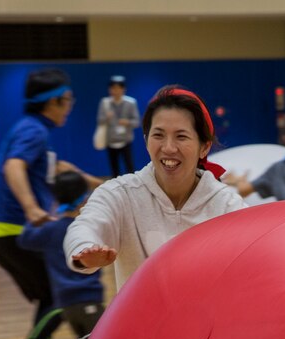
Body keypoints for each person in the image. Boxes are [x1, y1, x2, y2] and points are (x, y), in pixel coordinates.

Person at [0, 67, 103, 339]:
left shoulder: (32, 129)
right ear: (54, 101)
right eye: (68, 100)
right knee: (59, 295)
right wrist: (31, 207)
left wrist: (102, 184)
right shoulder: (34, 131)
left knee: (49, 296)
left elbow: (61, 168)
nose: (70, 106)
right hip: (12, 228)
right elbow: (13, 165)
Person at [65, 84, 245, 291]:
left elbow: (256, 251)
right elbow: (85, 226)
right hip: (139, 323)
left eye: (181, 136)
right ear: (146, 140)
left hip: (206, 323)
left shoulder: (227, 206)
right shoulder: (120, 194)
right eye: (158, 135)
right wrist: (85, 249)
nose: (168, 148)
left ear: (204, 147)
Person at [16, 171, 104, 339]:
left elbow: (25, 240)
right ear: (84, 198)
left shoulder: (51, 229)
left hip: (64, 304)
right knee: (99, 335)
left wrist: (39, 218)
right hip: (87, 298)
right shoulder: (84, 229)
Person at [98, 75, 140, 177]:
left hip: (125, 140)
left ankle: (132, 190)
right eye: (113, 88)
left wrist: (127, 122)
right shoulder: (105, 103)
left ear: (123, 89)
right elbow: (99, 120)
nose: (115, 91)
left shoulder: (131, 102)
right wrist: (106, 118)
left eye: (118, 88)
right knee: (114, 170)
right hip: (111, 141)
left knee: (130, 169)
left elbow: (137, 122)